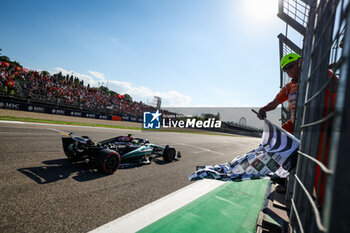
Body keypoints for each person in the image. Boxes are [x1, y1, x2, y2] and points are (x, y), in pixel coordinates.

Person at [257, 53, 302, 134]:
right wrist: (263, 109)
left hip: (321, 122)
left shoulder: (319, 74)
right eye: (285, 69)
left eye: (290, 66)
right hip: (295, 123)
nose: (288, 71)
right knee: (276, 137)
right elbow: (275, 103)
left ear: (300, 62)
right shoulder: (288, 88)